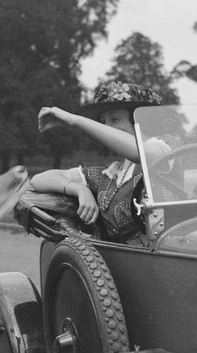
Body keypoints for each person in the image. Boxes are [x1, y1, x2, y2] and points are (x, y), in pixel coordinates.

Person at [26, 81, 171, 245]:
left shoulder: (166, 149)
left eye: (114, 119)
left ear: (139, 121)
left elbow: (143, 153)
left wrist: (75, 120)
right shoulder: (110, 174)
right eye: (104, 122)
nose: (107, 127)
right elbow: (38, 180)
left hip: (169, 254)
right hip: (121, 263)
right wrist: (79, 189)